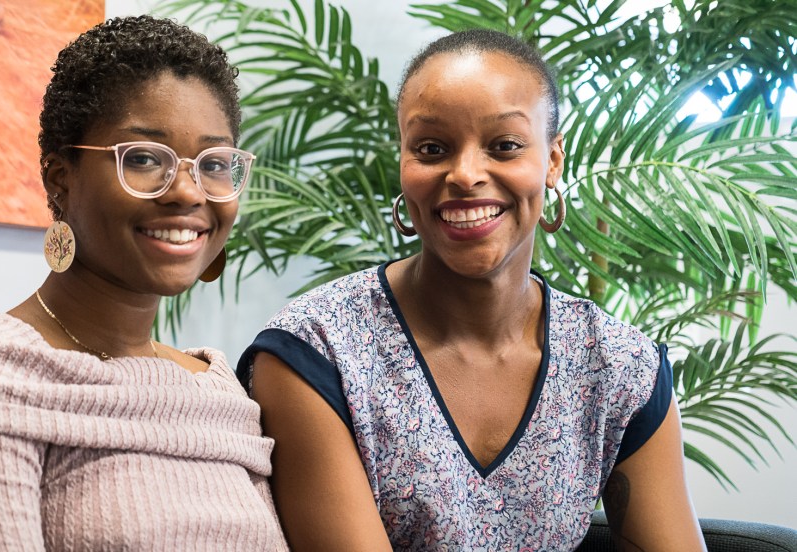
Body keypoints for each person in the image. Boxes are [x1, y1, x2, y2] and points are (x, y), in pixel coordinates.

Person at [239, 29, 706, 551]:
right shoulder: (317, 352)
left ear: (552, 161)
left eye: (504, 145)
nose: (464, 175)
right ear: (403, 162)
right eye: (432, 148)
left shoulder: (621, 367)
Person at [0, 14, 287, 551]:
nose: (189, 192)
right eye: (144, 158)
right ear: (60, 180)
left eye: (213, 163)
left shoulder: (216, 387)